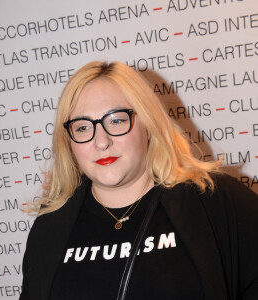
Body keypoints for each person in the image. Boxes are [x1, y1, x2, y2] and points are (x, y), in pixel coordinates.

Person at [20, 61, 258, 300]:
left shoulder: (215, 201)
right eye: (82, 127)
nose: (101, 142)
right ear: (69, 142)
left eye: (116, 120)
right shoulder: (50, 226)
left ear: (148, 123)